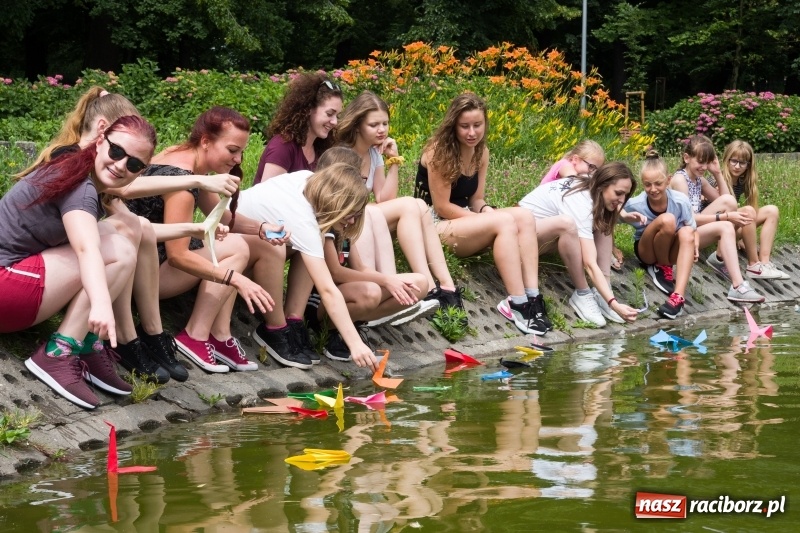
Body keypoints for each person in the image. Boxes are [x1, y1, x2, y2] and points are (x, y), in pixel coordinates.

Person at [0, 115, 157, 409]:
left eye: (134, 164)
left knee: (123, 234)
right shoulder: (81, 188)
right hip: (5, 288)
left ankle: (84, 343)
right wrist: (100, 304)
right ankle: (58, 352)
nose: (121, 165)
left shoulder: (76, 166)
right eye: (117, 152)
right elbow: (86, 249)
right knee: (119, 251)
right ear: (100, 142)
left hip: (12, 279)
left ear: (141, 170)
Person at [124, 107, 277, 373]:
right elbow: (177, 256)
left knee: (244, 241)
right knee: (237, 248)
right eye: (232, 150)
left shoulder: (186, 159)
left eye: (241, 151)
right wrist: (235, 278)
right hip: (146, 277)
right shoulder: (182, 183)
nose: (238, 159)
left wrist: (263, 229)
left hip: (142, 263)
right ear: (206, 141)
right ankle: (195, 336)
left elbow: (222, 218)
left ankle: (220, 336)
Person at [414, 93, 550, 335]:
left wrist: (486, 211)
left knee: (525, 216)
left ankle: (533, 297)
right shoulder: (439, 152)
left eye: (477, 125)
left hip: (465, 219)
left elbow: (476, 199)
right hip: (434, 225)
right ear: (453, 125)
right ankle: (516, 303)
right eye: (464, 126)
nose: (471, 133)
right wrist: (486, 220)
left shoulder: (481, 152)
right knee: (504, 221)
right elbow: (443, 206)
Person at [236, 158, 379, 371]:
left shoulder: (307, 180)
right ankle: (274, 328)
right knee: (308, 243)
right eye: (351, 214)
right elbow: (328, 290)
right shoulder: (303, 220)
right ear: (337, 200)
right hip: (235, 253)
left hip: (250, 241)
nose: (350, 222)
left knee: (316, 241)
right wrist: (355, 344)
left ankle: (293, 320)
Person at [336, 91, 463, 322]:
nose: (381, 130)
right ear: (357, 125)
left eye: (385, 123)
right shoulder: (343, 153)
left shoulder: (374, 153)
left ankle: (444, 286)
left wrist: (393, 160)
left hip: (369, 212)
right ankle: (424, 286)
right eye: (373, 124)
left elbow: (385, 197)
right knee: (407, 205)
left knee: (419, 205)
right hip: (350, 217)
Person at [519, 163, 641, 327]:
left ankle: (602, 290)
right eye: (618, 193)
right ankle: (582, 293)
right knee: (567, 225)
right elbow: (589, 263)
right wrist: (614, 304)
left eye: (625, 195)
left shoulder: (595, 187)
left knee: (603, 220)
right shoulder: (581, 201)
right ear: (602, 185)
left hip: (542, 235)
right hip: (520, 242)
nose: (622, 200)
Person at [669, 135, 765, 303]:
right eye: (700, 162)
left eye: (707, 162)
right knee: (726, 226)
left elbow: (730, 202)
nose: (704, 167)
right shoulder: (679, 179)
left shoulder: (699, 179)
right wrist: (725, 217)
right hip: (679, 235)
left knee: (728, 206)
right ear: (686, 158)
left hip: (693, 231)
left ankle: (737, 285)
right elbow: (688, 219)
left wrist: (718, 173)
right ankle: (738, 285)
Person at [623, 151, 698, 318]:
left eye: (658, 183)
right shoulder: (635, 204)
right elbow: (608, 219)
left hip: (670, 248)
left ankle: (677, 297)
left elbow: (692, 227)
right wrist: (613, 249)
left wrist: (695, 244)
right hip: (647, 251)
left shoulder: (680, 201)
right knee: (668, 220)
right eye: (647, 184)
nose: (653, 189)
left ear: (668, 180)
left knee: (686, 232)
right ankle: (660, 266)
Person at [539, 140, 623, 272]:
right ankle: (595, 264)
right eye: (591, 167)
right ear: (575, 159)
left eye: (597, 170)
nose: (593, 173)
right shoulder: (564, 164)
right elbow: (572, 178)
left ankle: (604, 258)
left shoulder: (582, 175)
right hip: (546, 224)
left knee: (601, 214)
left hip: (560, 222)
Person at [253, 73, 343, 184]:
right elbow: (266, 197)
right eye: (329, 114)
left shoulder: (321, 149)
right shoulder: (283, 146)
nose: (335, 122)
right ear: (309, 109)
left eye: (337, 116)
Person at [718, 140, 788, 280]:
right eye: (734, 161)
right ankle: (753, 265)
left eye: (742, 163)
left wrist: (746, 234)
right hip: (720, 226)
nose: (737, 166)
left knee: (772, 210)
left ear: (748, 165)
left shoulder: (742, 181)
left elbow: (753, 211)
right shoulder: (718, 181)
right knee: (747, 211)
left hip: (734, 223)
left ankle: (764, 262)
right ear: (726, 159)